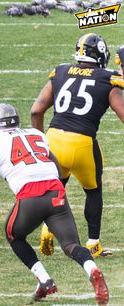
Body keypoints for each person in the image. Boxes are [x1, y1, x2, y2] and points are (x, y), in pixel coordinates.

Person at [0, 103, 109, 305]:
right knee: (70, 245)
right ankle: (92, 269)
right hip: (56, 191)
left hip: (30, 195)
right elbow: (56, 166)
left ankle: (44, 280)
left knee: (13, 235)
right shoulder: (36, 134)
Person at [31, 33, 124, 258]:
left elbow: (36, 110)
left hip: (54, 138)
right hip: (82, 143)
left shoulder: (61, 71)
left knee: (56, 186)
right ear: (101, 53)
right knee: (93, 190)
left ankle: (47, 228)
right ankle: (93, 244)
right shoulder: (108, 78)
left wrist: (40, 142)